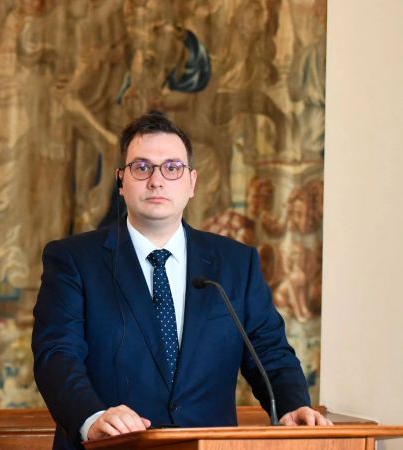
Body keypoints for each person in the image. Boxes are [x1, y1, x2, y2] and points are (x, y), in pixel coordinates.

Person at [32, 112, 330, 450]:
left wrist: (293, 406)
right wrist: (92, 417)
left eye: (172, 168)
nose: (156, 181)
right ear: (121, 181)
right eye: (141, 167)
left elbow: (269, 352)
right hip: (113, 446)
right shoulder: (73, 259)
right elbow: (57, 354)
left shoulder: (235, 264)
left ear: (191, 182)